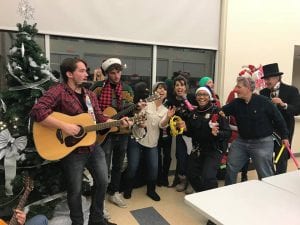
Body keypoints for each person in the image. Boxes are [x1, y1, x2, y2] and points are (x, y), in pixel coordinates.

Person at [30, 58, 131, 225]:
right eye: (82, 71)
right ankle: (77, 222)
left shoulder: (90, 94)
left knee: (103, 182)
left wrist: (118, 122)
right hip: (72, 151)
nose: (86, 74)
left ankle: (96, 220)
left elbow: (99, 118)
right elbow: (37, 111)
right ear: (69, 74)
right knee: (75, 190)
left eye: (86, 70)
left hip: (92, 146)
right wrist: (65, 126)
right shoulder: (58, 92)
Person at [221, 76, 289, 185]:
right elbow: (221, 112)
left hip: (262, 143)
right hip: (241, 142)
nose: (235, 89)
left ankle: (268, 195)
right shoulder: (236, 103)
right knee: (231, 167)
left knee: (265, 174)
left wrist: (285, 137)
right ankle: (228, 191)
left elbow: (279, 120)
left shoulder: (264, 102)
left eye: (239, 87)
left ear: (248, 88)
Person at [90, 58, 135, 209]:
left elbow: (131, 109)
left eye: (119, 72)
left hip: (123, 132)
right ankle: (100, 198)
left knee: (118, 165)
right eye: (113, 73)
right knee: (104, 166)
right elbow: (90, 110)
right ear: (107, 73)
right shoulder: (97, 87)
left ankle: (114, 192)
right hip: (104, 134)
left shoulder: (127, 89)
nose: (117, 76)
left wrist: (137, 110)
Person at [123, 82, 175, 201]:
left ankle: (151, 191)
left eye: (164, 89)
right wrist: (139, 122)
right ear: (154, 91)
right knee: (133, 166)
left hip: (152, 142)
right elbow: (136, 117)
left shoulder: (165, 110)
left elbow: (162, 126)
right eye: (159, 88)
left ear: (167, 93)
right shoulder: (146, 103)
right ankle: (128, 189)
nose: (162, 91)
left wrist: (168, 117)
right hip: (136, 139)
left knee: (153, 167)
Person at [183, 87, 231, 192]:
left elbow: (228, 132)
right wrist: (184, 129)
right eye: (199, 94)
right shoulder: (193, 113)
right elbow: (191, 133)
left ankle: (211, 199)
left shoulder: (217, 112)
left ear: (209, 97)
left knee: (208, 177)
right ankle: (202, 194)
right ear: (196, 97)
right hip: (198, 149)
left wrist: (217, 133)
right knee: (191, 174)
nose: (201, 97)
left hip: (214, 148)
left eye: (205, 94)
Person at [260, 63, 300, 174]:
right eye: (265, 79)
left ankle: (279, 181)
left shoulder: (292, 90)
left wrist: (283, 104)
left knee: (281, 159)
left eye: (268, 79)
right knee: (265, 159)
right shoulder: (263, 93)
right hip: (267, 132)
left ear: (277, 77)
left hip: (284, 132)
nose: (266, 82)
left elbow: (297, 109)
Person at [165, 75, 196, 193]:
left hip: (193, 135)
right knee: (181, 158)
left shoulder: (192, 97)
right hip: (180, 135)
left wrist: (185, 99)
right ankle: (183, 180)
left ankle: (192, 182)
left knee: (192, 159)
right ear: (174, 87)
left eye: (182, 85)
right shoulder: (171, 101)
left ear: (186, 87)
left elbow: (195, 112)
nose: (179, 87)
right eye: (177, 85)